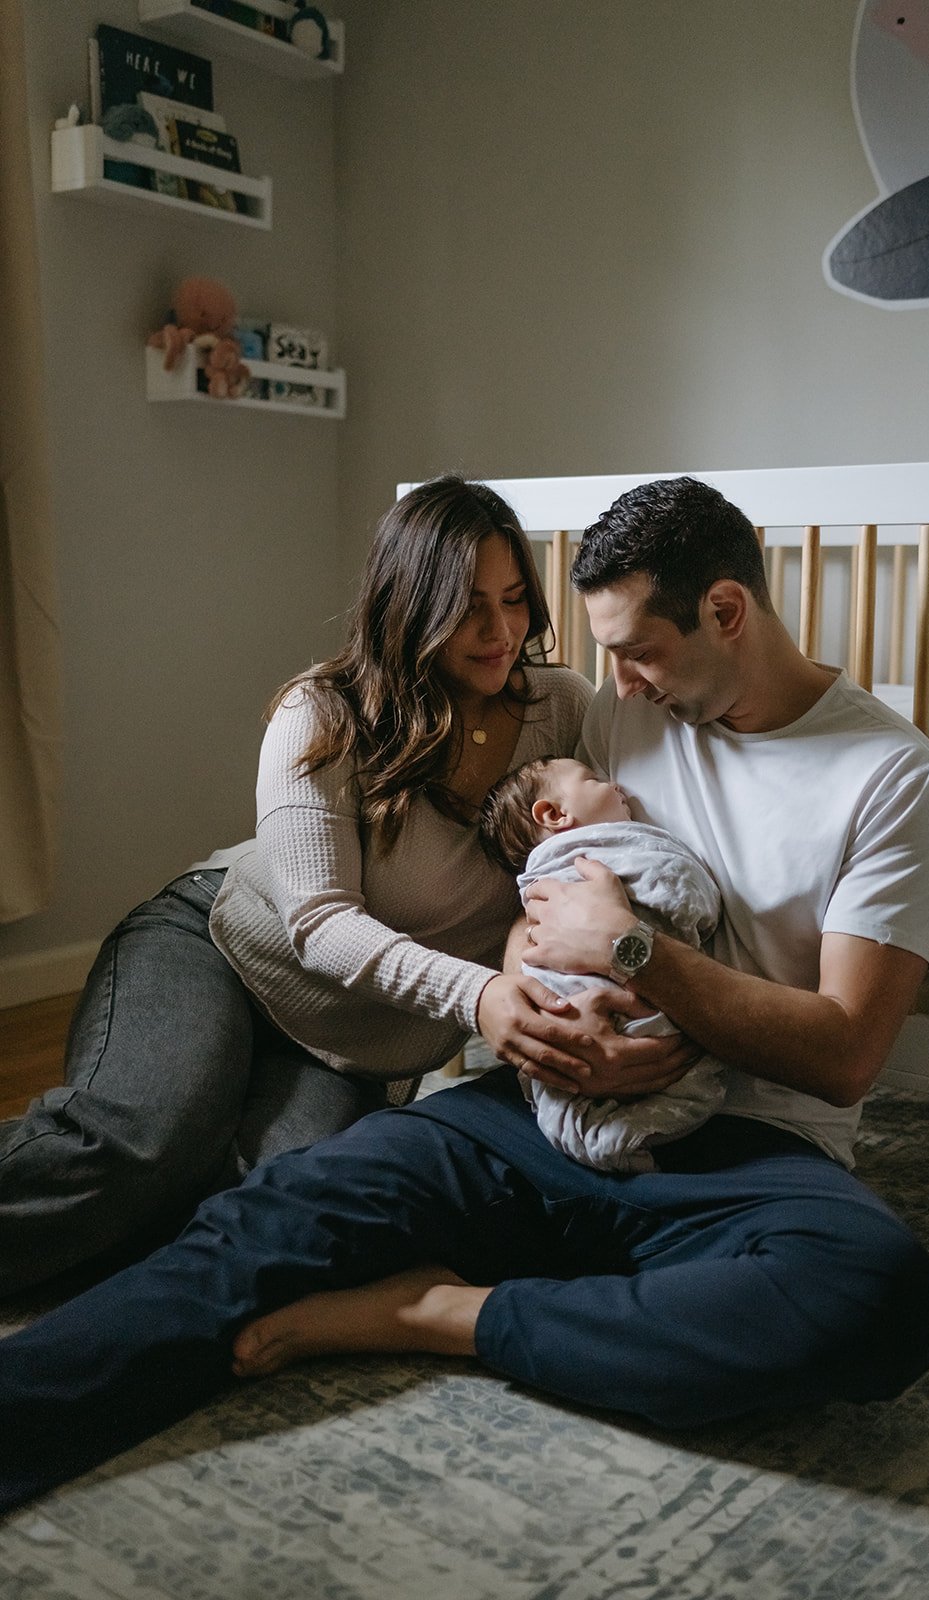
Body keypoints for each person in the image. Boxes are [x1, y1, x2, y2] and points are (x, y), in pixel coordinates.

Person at [0, 476, 929, 1513]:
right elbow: (533, 889)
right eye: (604, 654)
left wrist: (637, 959)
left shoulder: (887, 774)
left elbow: (844, 1051)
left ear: (725, 612)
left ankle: (439, 1316)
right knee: (269, 1215)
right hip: (525, 1105)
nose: (618, 683)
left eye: (637, 650)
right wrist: (533, 997)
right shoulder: (618, 717)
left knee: (878, 1296)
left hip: (748, 1149)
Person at [0, 477, 682, 1298]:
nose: (501, 632)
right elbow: (319, 923)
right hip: (218, 949)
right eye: (469, 607)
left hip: (352, 1040)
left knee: (273, 1209)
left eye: (513, 600)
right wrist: (482, 998)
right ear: (411, 602)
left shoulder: (564, 708)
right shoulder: (322, 711)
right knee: (137, 1147)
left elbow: (626, 829)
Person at [479, 755, 725, 1171]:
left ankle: (588, 1133)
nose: (616, 785)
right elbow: (679, 890)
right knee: (694, 1078)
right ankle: (621, 1138)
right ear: (555, 814)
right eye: (594, 779)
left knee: (561, 1096)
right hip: (604, 1006)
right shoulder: (602, 851)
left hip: (571, 1024)